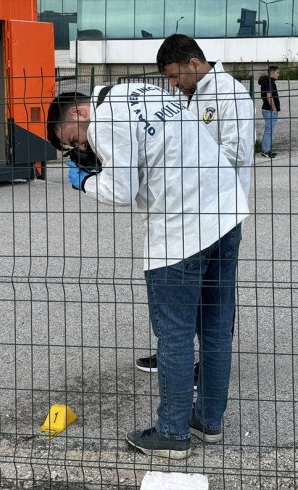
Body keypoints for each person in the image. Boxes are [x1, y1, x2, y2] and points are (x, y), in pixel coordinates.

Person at [46, 84, 248, 459]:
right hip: (226, 211)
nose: (82, 148)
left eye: (75, 140)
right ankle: (208, 422)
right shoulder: (137, 91)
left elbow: (121, 191)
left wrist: (86, 181)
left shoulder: (103, 121)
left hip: (180, 231)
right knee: (216, 328)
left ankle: (172, 434)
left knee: (174, 334)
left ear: (77, 113)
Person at [134, 34, 255, 375]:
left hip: (219, 213)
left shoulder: (230, 94)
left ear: (194, 64)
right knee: (178, 290)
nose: (172, 84)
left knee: (214, 297)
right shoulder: (186, 97)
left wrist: (182, 165)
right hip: (184, 214)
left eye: (174, 75)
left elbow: (236, 154)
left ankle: (208, 365)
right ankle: (176, 353)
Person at [258, 65, 281, 158]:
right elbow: (269, 96)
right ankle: (266, 151)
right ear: (272, 73)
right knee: (269, 131)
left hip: (267, 109)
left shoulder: (268, 81)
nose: (278, 75)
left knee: (269, 130)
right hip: (269, 110)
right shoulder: (269, 82)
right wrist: (274, 109)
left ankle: (266, 150)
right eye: (277, 73)